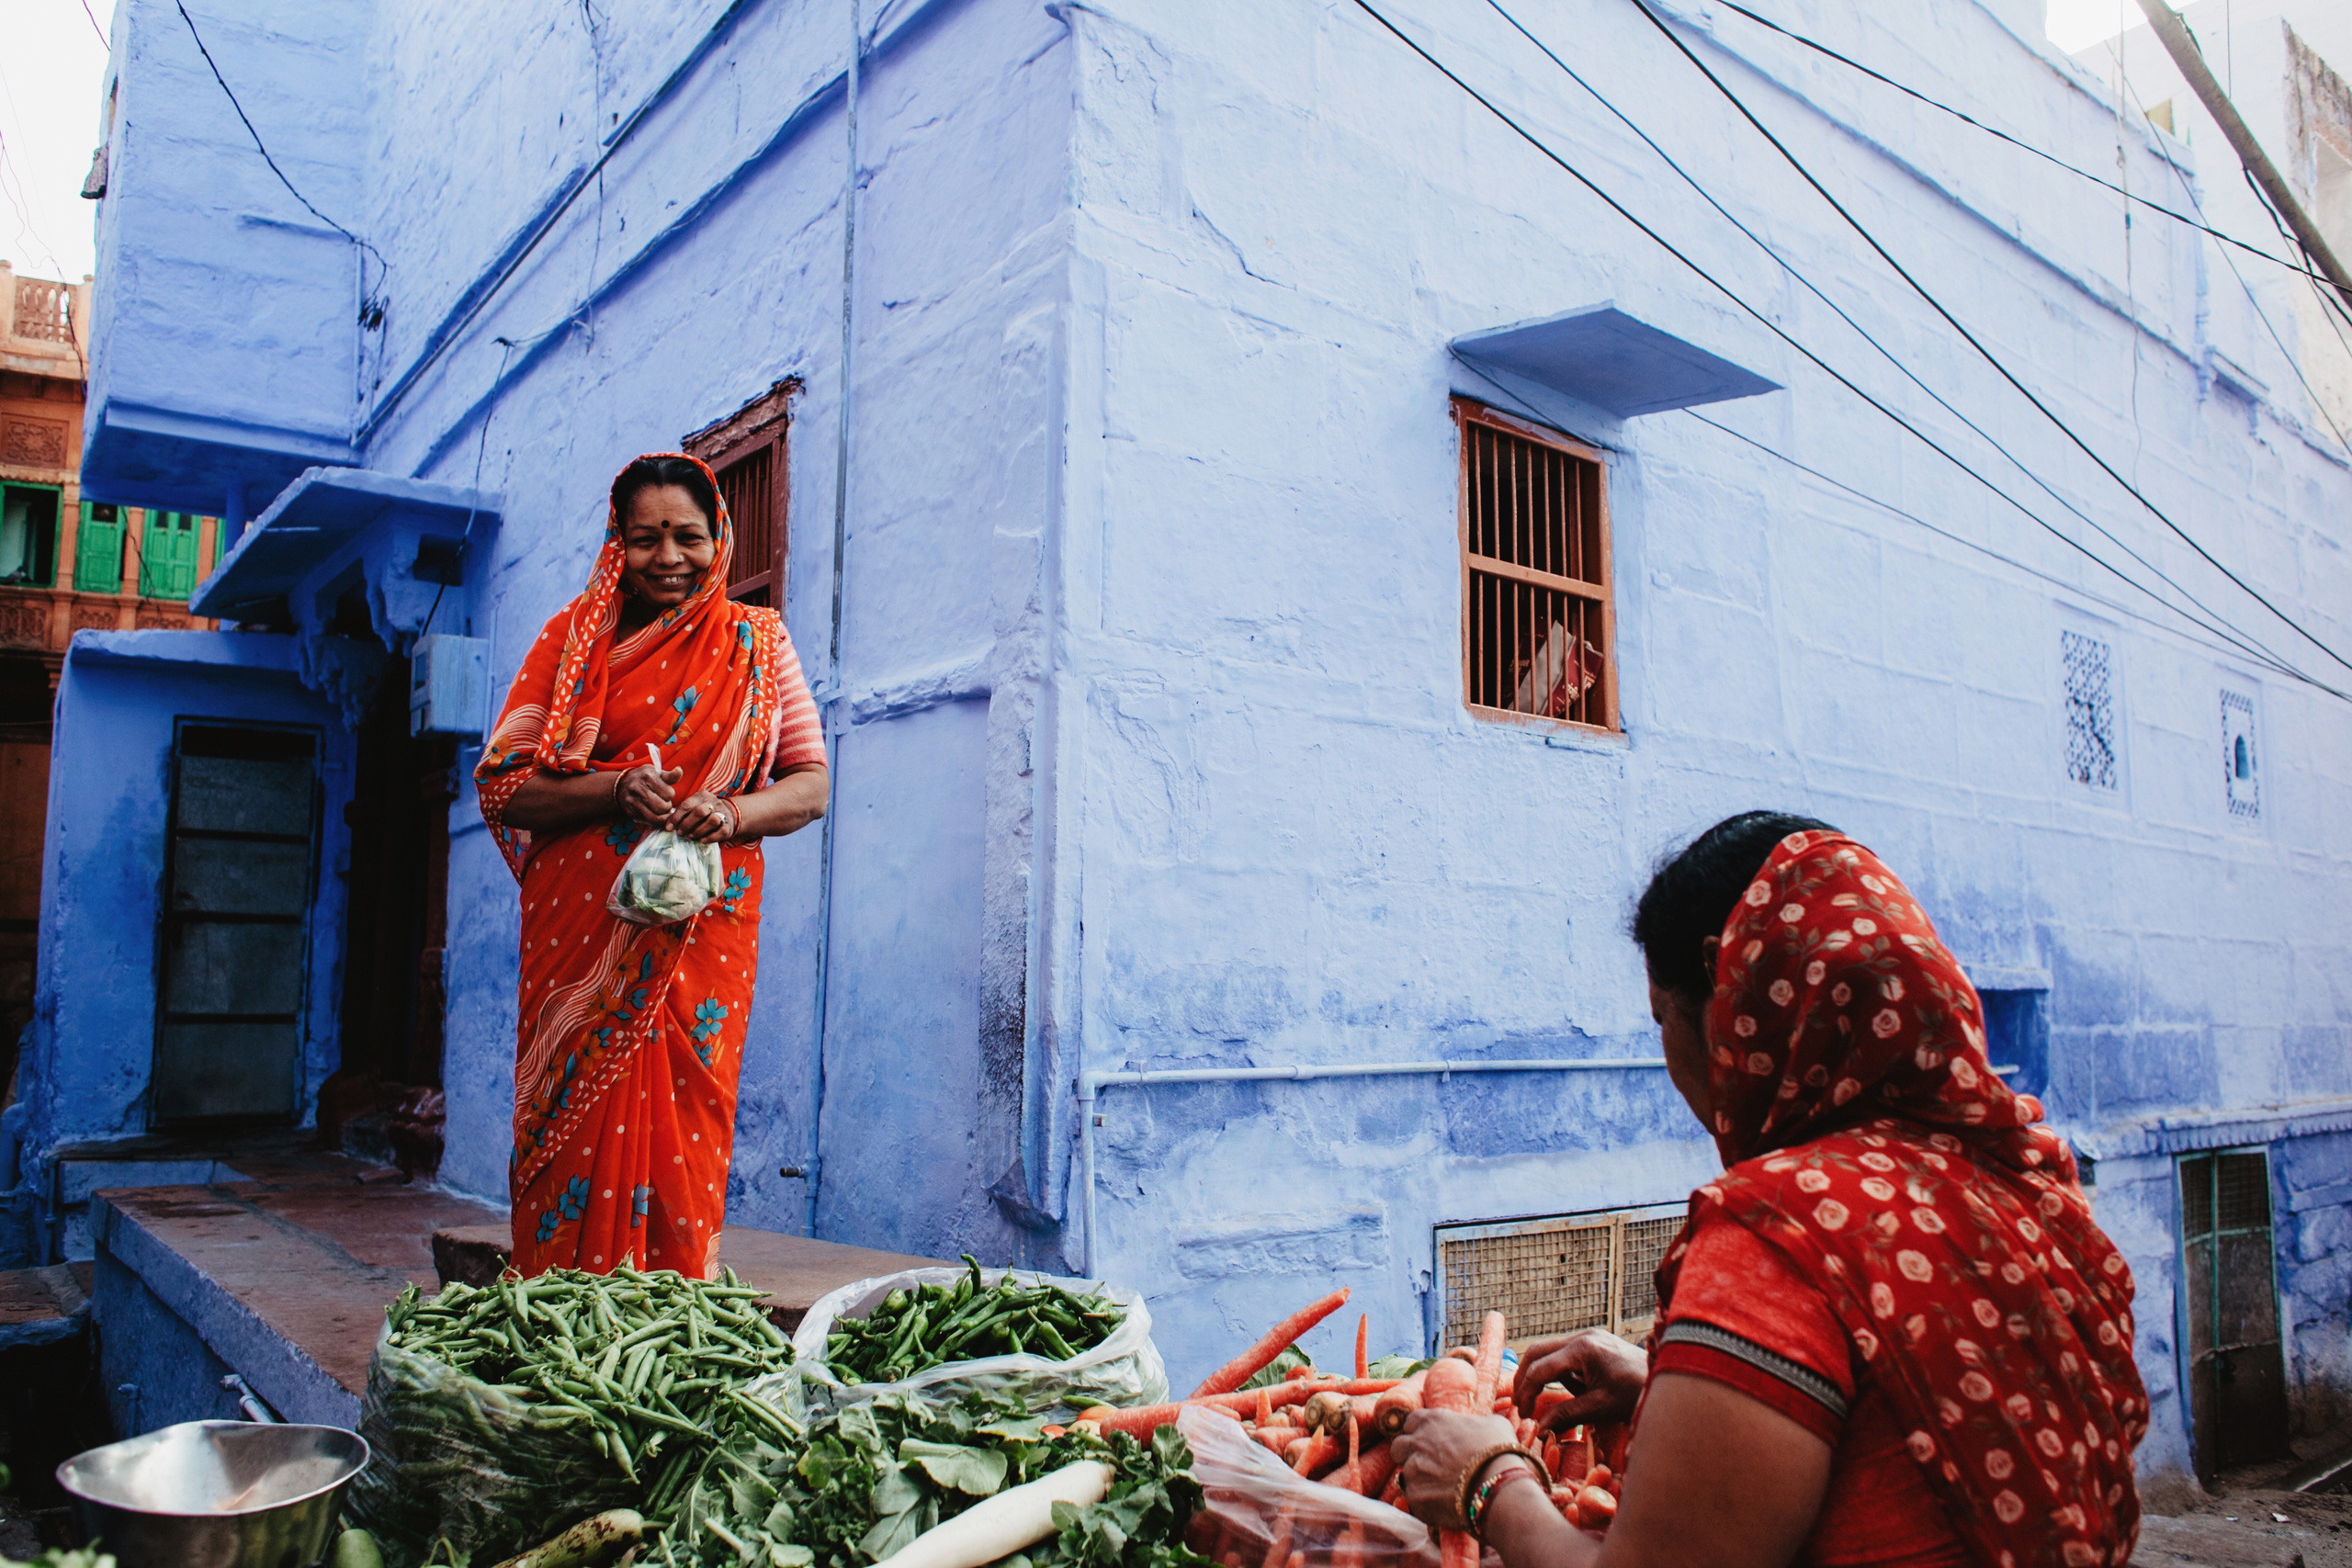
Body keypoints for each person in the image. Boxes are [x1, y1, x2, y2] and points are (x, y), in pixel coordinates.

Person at [1394, 813, 2148, 1568]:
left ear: (1731, 1009)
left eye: (1664, 1020)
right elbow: (1890, 1430)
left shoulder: (1780, 1235)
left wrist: (1488, 1479)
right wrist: (1672, 1380)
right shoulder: (2018, 1183)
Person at [474, 452, 828, 1278]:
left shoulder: (758, 645)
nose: (669, 557)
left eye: (689, 536)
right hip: (582, 940)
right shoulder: (571, 641)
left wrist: (731, 811)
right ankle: (558, 1309)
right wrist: (612, 788)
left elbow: (809, 787)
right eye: (646, 539)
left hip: (701, 938)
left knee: (685, 1128)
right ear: (615, 544)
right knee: (572, 1132)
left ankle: (670, 1311)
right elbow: (504, 784)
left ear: (721, 538)